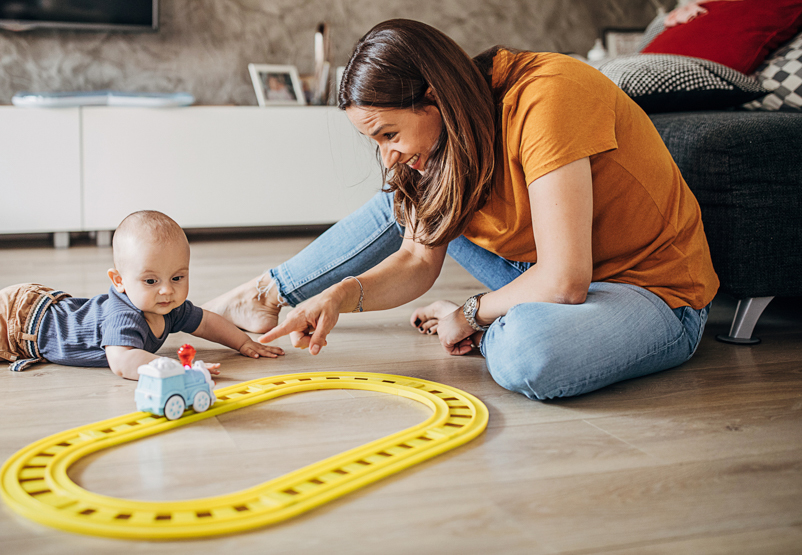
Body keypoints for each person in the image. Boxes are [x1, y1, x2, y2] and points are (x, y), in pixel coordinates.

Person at [205, 19, 718, 400]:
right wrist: (339, 296)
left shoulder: (550, 97)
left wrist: (469, 313)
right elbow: (416, 260)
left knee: (525, 353)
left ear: (434, 98)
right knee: (402, 198)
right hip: (542, 269)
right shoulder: (448, 138)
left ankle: (498, 320)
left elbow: (565, 281)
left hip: (651, 292)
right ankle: (265, 293)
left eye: (389, 133)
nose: (388, 154)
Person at [0, 210, 283, 379]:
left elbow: (207, 321)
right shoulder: (124, 317)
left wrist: (243, 345)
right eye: (150, 281)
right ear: (118, 280)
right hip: (22, 329)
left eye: (178, 277)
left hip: (33, 306)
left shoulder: (169, 305)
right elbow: (123, 363)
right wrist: (177, 371)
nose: (167, 290)